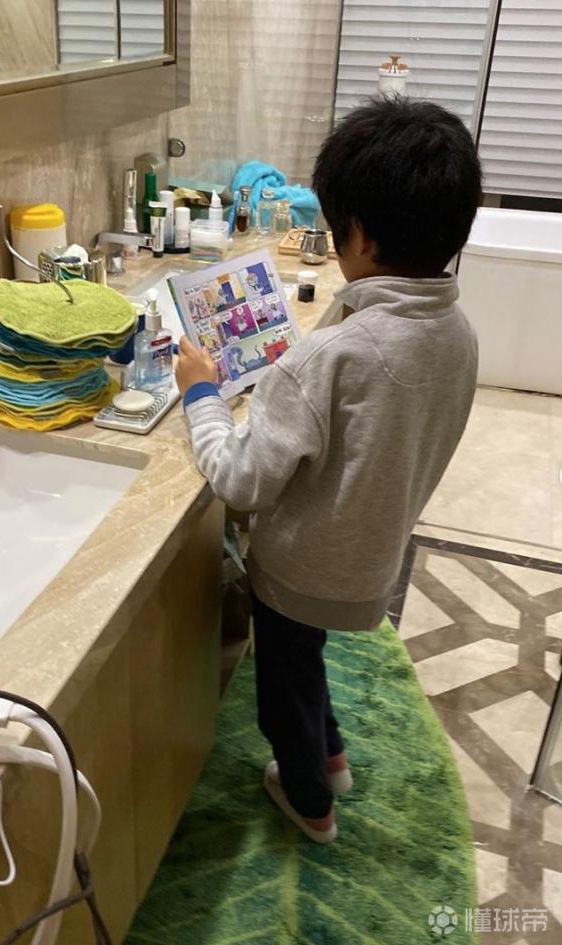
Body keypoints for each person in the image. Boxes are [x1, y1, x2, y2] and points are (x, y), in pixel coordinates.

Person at [174, 97, 481, 843]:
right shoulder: (457, 331)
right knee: (305, 662)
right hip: (369, 557)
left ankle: (311, 800)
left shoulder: (328, 357)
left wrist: (201, 394)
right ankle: (333, 755)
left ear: (360, 235)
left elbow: (239, 480)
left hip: (299, 570)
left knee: (283, 687)